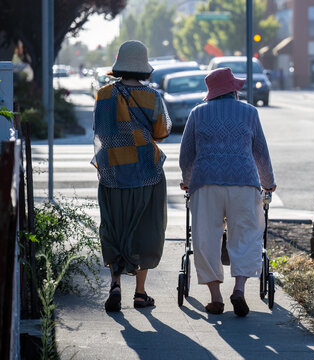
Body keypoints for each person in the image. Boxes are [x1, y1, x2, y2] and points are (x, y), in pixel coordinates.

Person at [179, 67, 276, 317]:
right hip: (243, 181)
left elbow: (187, 154)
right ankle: (240, 290)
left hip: (206, 182)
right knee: (245, 234)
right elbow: (261, 153)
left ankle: (215, 297)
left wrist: (187, 181)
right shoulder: (249, 112)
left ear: (212, 92)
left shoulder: (197, 113)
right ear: (233, 90)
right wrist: (268, 182)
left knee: (206, 238)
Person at [91, 40, 172, 312]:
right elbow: (161, 132)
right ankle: (139, 293)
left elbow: (100, 131)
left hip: (112, 171)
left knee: (114, 226)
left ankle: (114, 284)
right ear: (143, 67)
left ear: (120, 66)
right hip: (146, 171)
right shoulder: (152, 96)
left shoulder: (103, 94)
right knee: (146, 227)